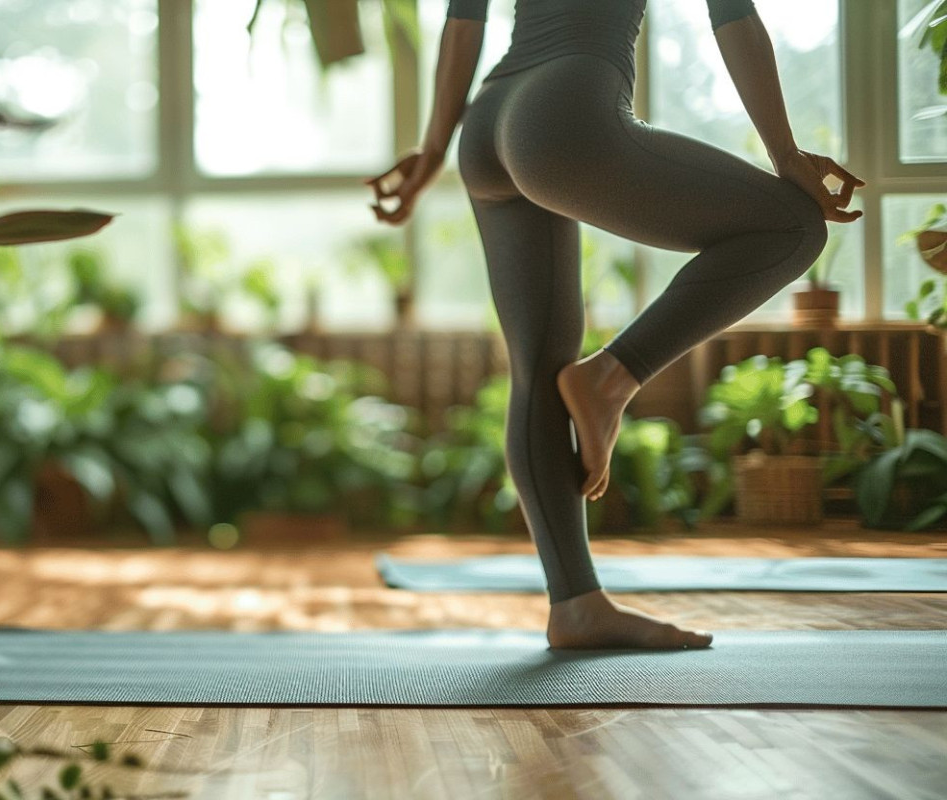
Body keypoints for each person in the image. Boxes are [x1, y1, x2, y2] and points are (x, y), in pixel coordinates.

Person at [368, 0, 864, 649]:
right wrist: (785, 153)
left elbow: (464, 18)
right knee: (792, 227)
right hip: (564, 109)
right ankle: (611, 377)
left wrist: (434, 148)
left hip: (488, 123)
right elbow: (732, 13)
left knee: (537, 370)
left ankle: (575, 604)